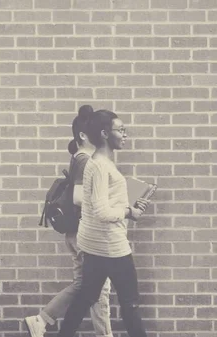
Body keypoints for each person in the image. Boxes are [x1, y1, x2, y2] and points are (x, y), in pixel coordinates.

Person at [57, 109, 150, 337]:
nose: (125, 135)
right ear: (104, 133)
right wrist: (129, 211)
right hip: (111, 247)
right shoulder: (99, 165)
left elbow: (101, 203)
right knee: (131, 305)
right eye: (121, 130)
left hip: (95, 246)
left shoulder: (99, 163)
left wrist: (126, 200)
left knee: (84, 300)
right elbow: (101, 211)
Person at [24, 106, 113, 337]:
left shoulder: (78, 158)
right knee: (100, 290)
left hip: (76, 234)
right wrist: (110, 204)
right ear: (83, 136)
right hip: (86, 234)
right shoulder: (85, 160)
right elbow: (77, 197)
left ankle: (41, 319)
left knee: (83, 285)